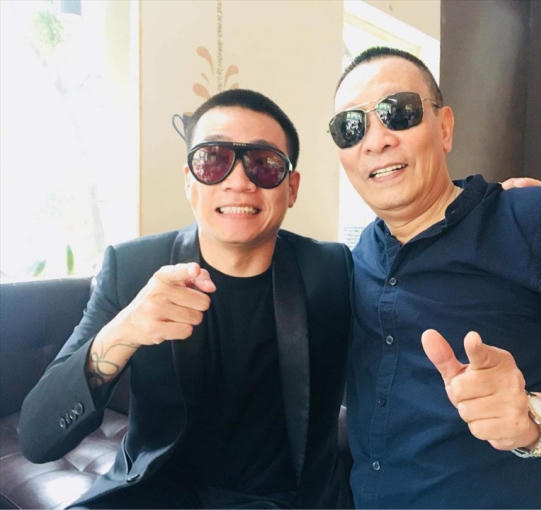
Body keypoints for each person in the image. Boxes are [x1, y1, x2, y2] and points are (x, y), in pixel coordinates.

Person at [329, 47, 541, 508]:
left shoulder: (535, 221)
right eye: (350, 127)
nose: (376, 140)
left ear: (444, 127)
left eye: (398, 113)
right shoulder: (355, 262)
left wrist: (530, 419)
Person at [19, 89, 353, 508]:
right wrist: (124, 332)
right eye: (213, 160)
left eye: (264, 164)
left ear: (292, 188)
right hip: (153, 496)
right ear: (190, 181)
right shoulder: (133, 268)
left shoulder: (331, 270)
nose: (238, 181)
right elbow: (37, 438)